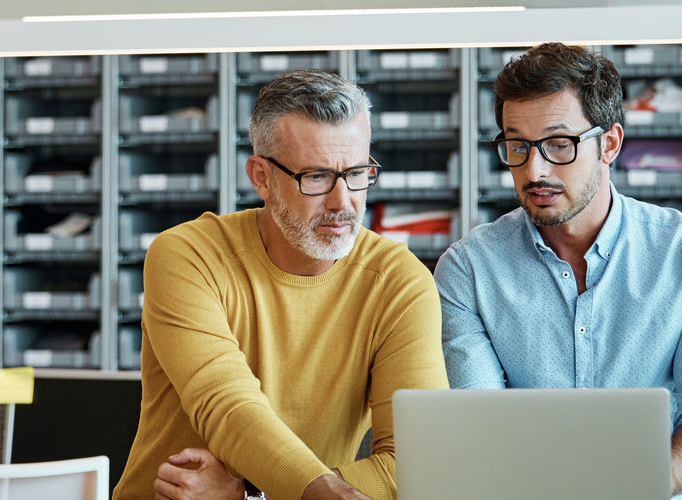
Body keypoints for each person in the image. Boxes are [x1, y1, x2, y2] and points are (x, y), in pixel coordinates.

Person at [113, 69, 448, 500]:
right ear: (261, 177)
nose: (342, 202)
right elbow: (229, 406)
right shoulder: (187, 256)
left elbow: (415, 462)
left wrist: (251, 496)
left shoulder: (399, 284)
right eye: (316, 177)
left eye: (357, 173)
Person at [436, 42, 682, 499]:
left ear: (610, 144)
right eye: (517, 145)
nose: (534, 169)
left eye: (559, 145)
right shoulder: (469, 270)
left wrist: (639, 487)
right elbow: (482, 424)